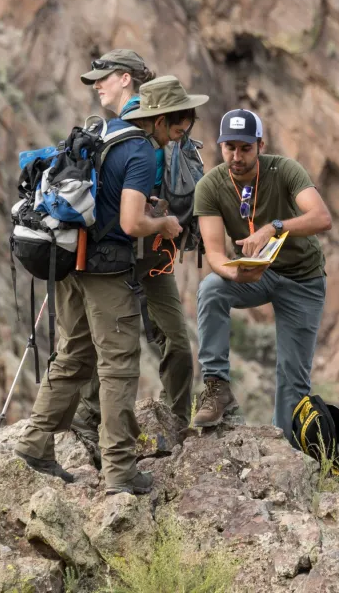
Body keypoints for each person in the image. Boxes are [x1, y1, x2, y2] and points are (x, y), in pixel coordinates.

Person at [14, 75, 206, 494]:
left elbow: (108, 199)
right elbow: (131, 223)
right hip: (105, 272)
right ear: (158, 120)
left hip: (69, 263)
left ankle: (34, 444)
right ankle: (120, 470)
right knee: (118, 364)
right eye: (176, 125)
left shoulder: (105, 133)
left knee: (73, 355)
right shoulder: (140, 151)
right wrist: (165, 223)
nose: (179, 134)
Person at [68, 51, 197, 468]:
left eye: (101, 79)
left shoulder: (143, 128)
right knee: (164, 339)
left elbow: (134, 202)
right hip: (137, 251)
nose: (97, 86)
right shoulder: (121, 131)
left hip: (130, 252)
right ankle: (173, 422)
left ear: (125, 78)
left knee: (101, 343)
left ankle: (99, 428)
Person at [190, 109, 333, 441]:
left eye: (245, 148)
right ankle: (216, 387)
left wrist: (274, 227)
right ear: (220, 146)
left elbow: (321, 217)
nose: (236, 156)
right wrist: (236, 274)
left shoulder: (284, 170)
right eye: (230, 148)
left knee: (293, 379)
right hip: (256, 275)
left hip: (303, 278)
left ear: (260, 145)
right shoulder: (210, 186)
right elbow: (213, 254)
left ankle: (287, 452)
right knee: (212, 288)